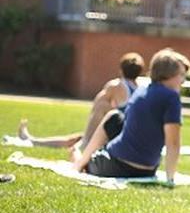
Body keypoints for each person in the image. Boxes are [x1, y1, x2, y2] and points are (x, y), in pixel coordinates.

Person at [72, 48, 190, 184]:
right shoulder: (171, 97)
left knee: (113, 117)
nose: (183, 81)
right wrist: (170, 179)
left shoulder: (141, 91)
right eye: (181, 75)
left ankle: (79, 161)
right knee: (114, 118)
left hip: (117, 166)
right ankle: (79, 161)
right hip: (146, 170)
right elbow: (173, 143)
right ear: (168, 74)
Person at [17, 53, 145, 150]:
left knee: (100, 107)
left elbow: (97, 106)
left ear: (121, 69)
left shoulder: (116, 85)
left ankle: (85, 142)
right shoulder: (140, 87)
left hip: (118, 134)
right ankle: (32, 140)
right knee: (75, 138)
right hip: (128, 133)